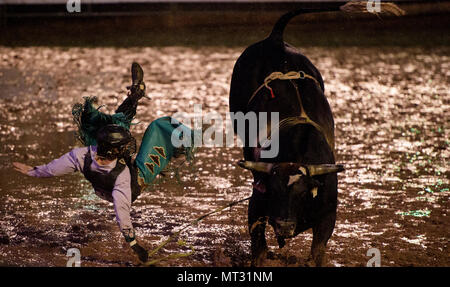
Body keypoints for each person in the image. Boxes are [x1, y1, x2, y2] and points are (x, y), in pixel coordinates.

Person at [13, 62, 194, 264]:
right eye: (123, 147)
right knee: (159, 127)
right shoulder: (123, 178)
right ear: (114, 151)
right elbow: (122, 214)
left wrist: (32, 171)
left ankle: (135, 95)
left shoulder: (83, 155)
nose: (128, 148)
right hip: (135, 183)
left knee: (114, 125)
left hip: (106, 183)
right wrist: (135, 245)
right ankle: (185, 144)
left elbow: (52, 169)